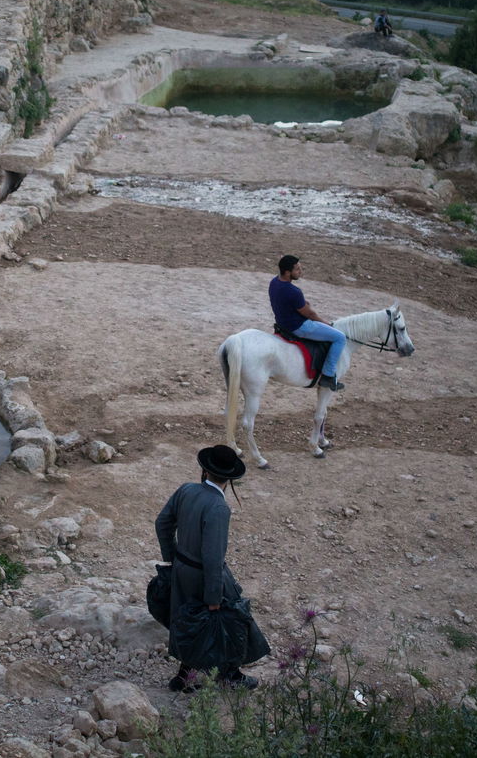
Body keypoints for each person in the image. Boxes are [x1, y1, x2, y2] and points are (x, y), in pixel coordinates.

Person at [155, 444, 264, 692]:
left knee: (192, 622)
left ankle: (184, 677)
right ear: (230, 478)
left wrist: (173, 558)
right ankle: (230, 676)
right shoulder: (218, 507)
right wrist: (214, 595)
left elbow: (162, 523)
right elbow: (213, 558)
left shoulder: (186, 490)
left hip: (182, 569)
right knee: (229, 620)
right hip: (203, 575)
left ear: (204, 470)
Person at [269, 254, 346, 391]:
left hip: (282, 325)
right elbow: (310, 314)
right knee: (339, 337)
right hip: (299, 327)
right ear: (287, 272)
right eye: (297, 269)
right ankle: (328, 376)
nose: (300, 272)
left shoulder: (274, 282)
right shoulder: (294, 291)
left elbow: (286, 303)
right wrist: (325, 323)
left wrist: (303, 304)